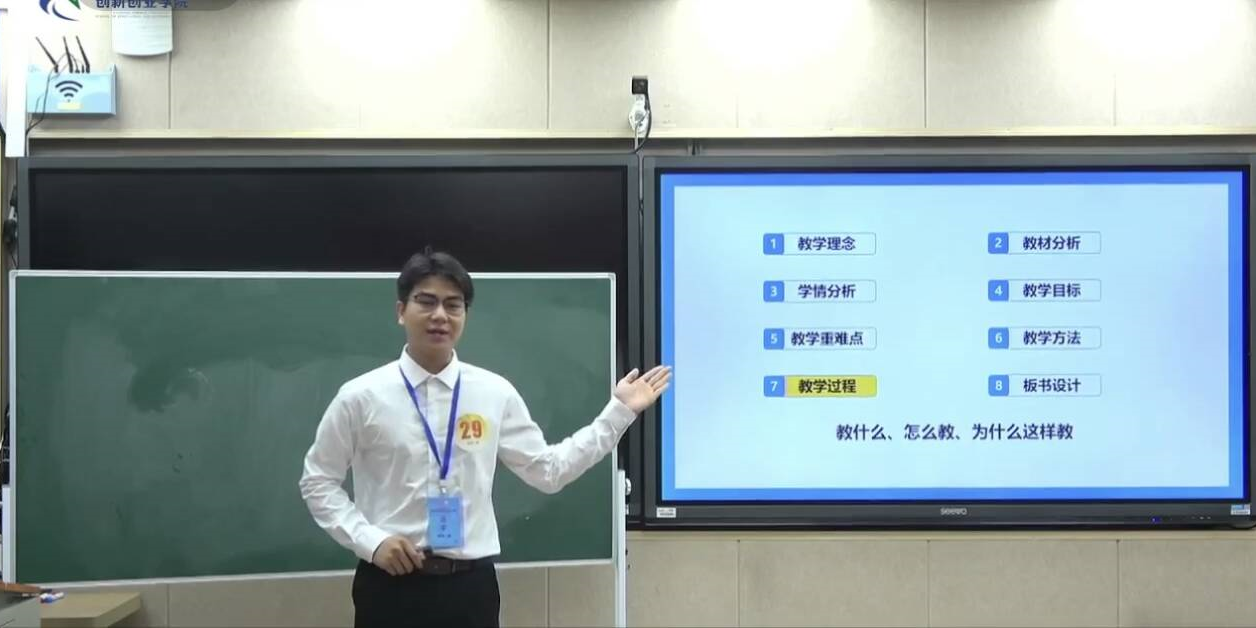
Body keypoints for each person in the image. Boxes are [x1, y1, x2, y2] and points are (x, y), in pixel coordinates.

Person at [299, 249, 670, 628]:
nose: (440, 315)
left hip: (470, 589)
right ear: (401, 311)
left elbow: (549, 471)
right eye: (426, 302)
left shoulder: (494, 393)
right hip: (389, 586)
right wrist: (370, 541)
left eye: (453, 305)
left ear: (465, 315)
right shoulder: (361, 396)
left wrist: (619, 412)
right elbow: (317, 482)